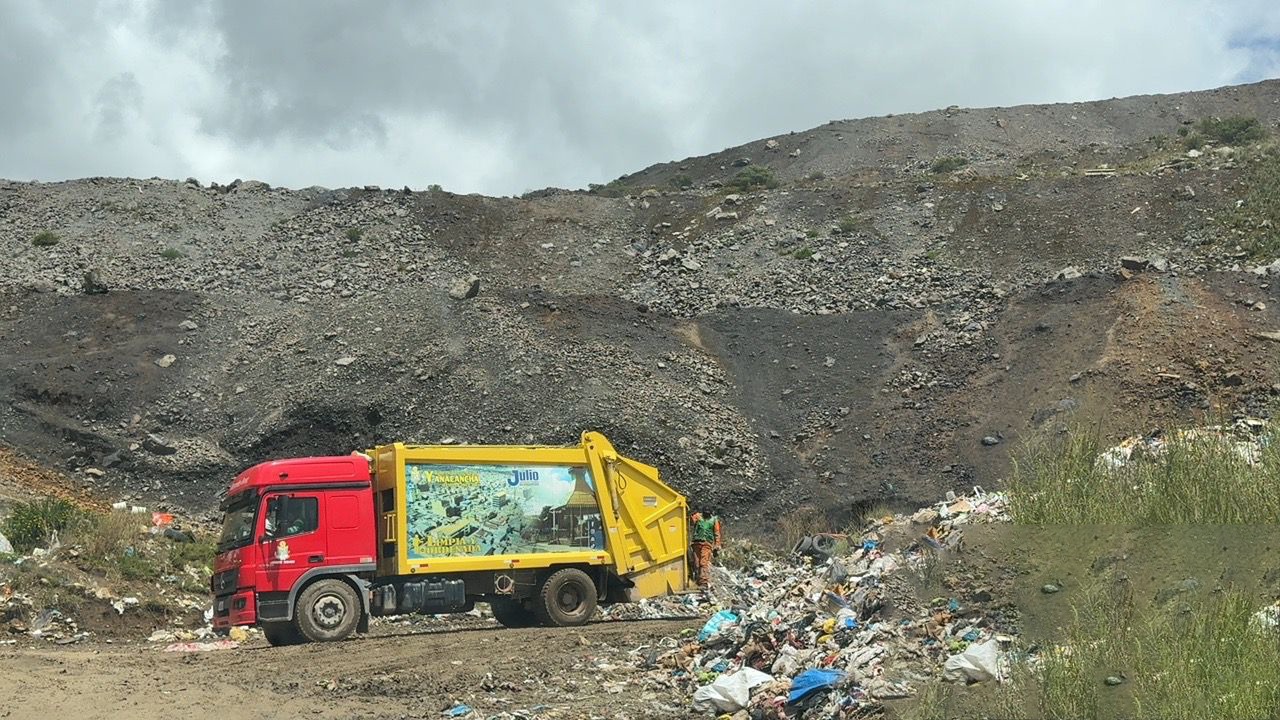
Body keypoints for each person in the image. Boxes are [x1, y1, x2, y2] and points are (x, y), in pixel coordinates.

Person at [689, 511, 722, 597]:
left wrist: (717, 545)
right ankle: (697, 580)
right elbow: (691, 523)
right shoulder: (698, 516)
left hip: (707, 543)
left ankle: (703, 582)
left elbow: (717, 533)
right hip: (697, 543)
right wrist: (692, 516)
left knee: (703, 563)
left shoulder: (714, 520)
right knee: (696, 563)